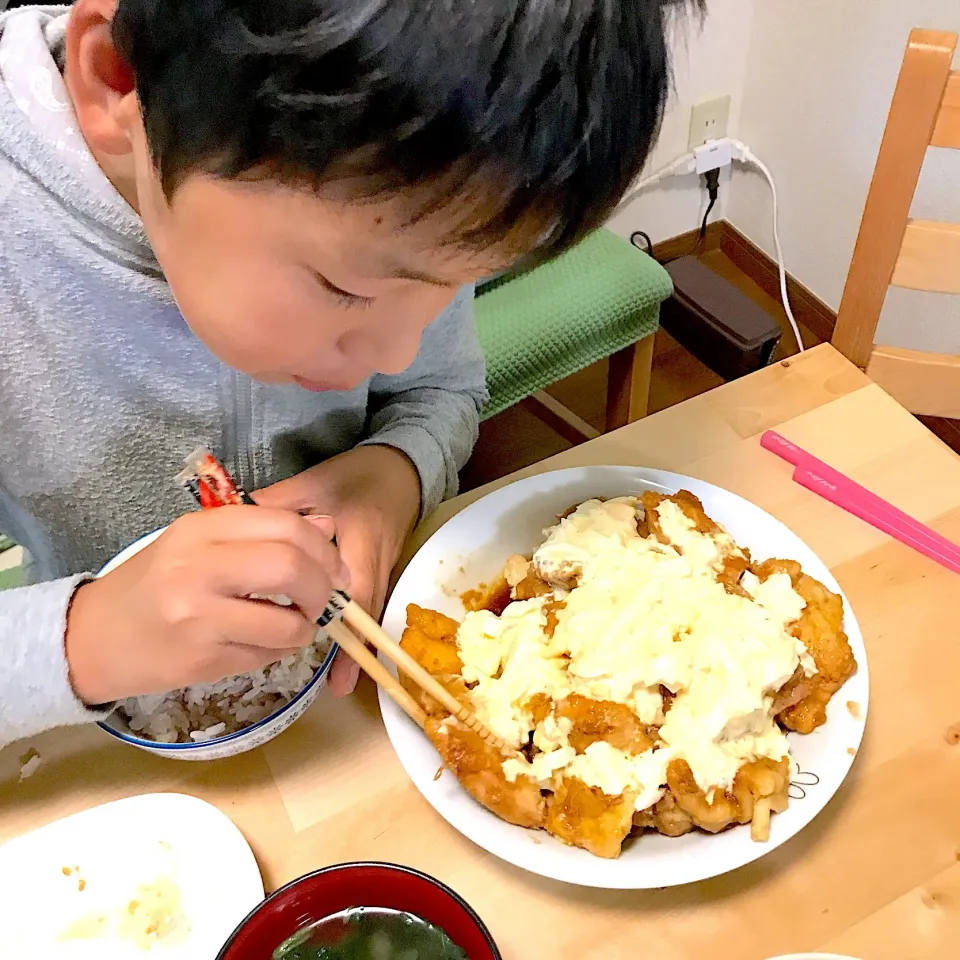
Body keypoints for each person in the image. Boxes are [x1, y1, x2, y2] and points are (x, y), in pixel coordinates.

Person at [0, 0, 701, 749]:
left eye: (445, 291)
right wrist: (86, 639)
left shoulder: (429, 193)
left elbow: (439, 389)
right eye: (349, 291)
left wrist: (387, 478)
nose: (398, 353)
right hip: (91, 749)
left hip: (340, 725)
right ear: (117, 80)